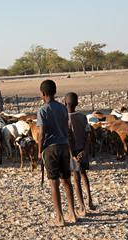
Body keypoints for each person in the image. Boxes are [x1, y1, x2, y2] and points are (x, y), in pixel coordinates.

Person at [37, 80, 77, 227]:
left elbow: (41, 134)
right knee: (66, 180)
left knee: (54, 182)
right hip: (64, 146)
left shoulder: (43, 110)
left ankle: (59, 218)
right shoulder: (62, 108)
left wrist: (39, 151)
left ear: (42, 94)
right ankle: (72, 214)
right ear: (54, 92)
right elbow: (68, 128)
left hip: (50, 148)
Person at [64, 92, 96, 217]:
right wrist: (84, 150)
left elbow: (68, 139)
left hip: (73, 152)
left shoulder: (65, 119)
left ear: (64, 104)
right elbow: (89, 134)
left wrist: (72, 155)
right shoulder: (83, 117)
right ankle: (90, 200)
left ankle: (82, 207)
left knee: (76, 178)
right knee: (84, 174)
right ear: (77, 103)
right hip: (84, 150)